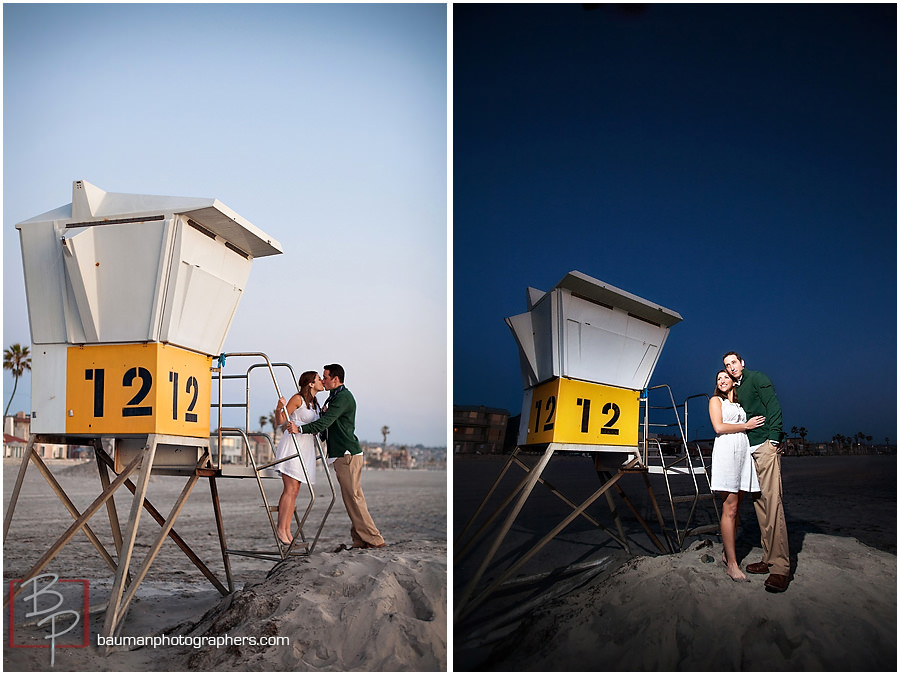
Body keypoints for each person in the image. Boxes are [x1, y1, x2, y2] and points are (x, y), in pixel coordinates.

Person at [287, 364, 385, 549]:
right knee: (352, 498)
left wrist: (300, 428)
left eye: (325, 377)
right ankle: (360, 539)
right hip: (342, 454)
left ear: (336, 379)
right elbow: (327, 425)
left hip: (346, 454)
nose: (323, 381)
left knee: (354, 498)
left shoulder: (342, 397)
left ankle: (374, 539)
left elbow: (325, 423)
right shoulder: (334, 397)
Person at [723, 351, 790, 593]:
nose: (731, 367)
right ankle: (768, 558)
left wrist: (774, 439)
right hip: (747, 449)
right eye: (727, 365)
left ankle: (781, 569)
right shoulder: (735, 388)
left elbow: (773, 405)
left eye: (733, 362)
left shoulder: (757, 377)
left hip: (764, 446)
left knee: (773, 504)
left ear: (742, 363)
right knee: (760, 504)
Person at [708, 370, 765, 582]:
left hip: (743, 453)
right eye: (718, 378)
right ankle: (732, 564)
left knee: (737, 507)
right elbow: (719, 427)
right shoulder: (716, 400)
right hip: (726, 452)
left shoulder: (741, 405)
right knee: (729, 507)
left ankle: (726, 552)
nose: (722, 380)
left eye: (725, 377)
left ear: (734, 381)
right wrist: (746, 425)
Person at [273, 371, 325, 546]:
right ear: (310, 383)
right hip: (292, 445)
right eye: (319, 379)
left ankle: (287, 529)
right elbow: (280, 420)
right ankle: (281, 529)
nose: (322, 382)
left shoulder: (316, 405)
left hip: (306, 448)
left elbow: (316, 426)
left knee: (295, 490)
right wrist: (279, 407)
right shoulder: (298, 399)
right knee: (290, 488)